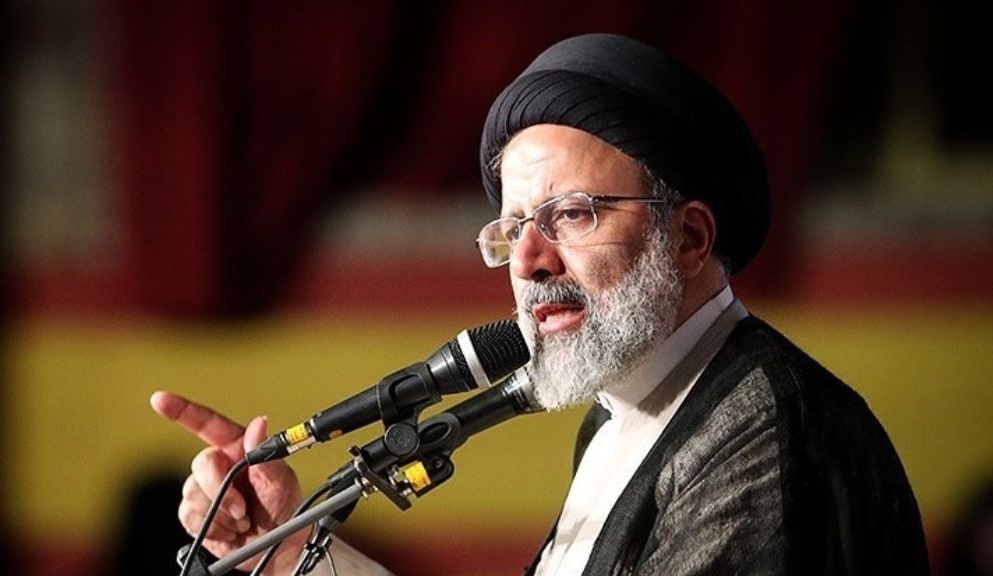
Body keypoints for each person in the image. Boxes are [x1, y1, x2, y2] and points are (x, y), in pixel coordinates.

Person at [152, 33, 930, 575]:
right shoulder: (620, 414)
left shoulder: (764, 428)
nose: (528, 261)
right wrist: (292, 551)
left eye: (572, 215)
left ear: (689, 238)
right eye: (513, 228)